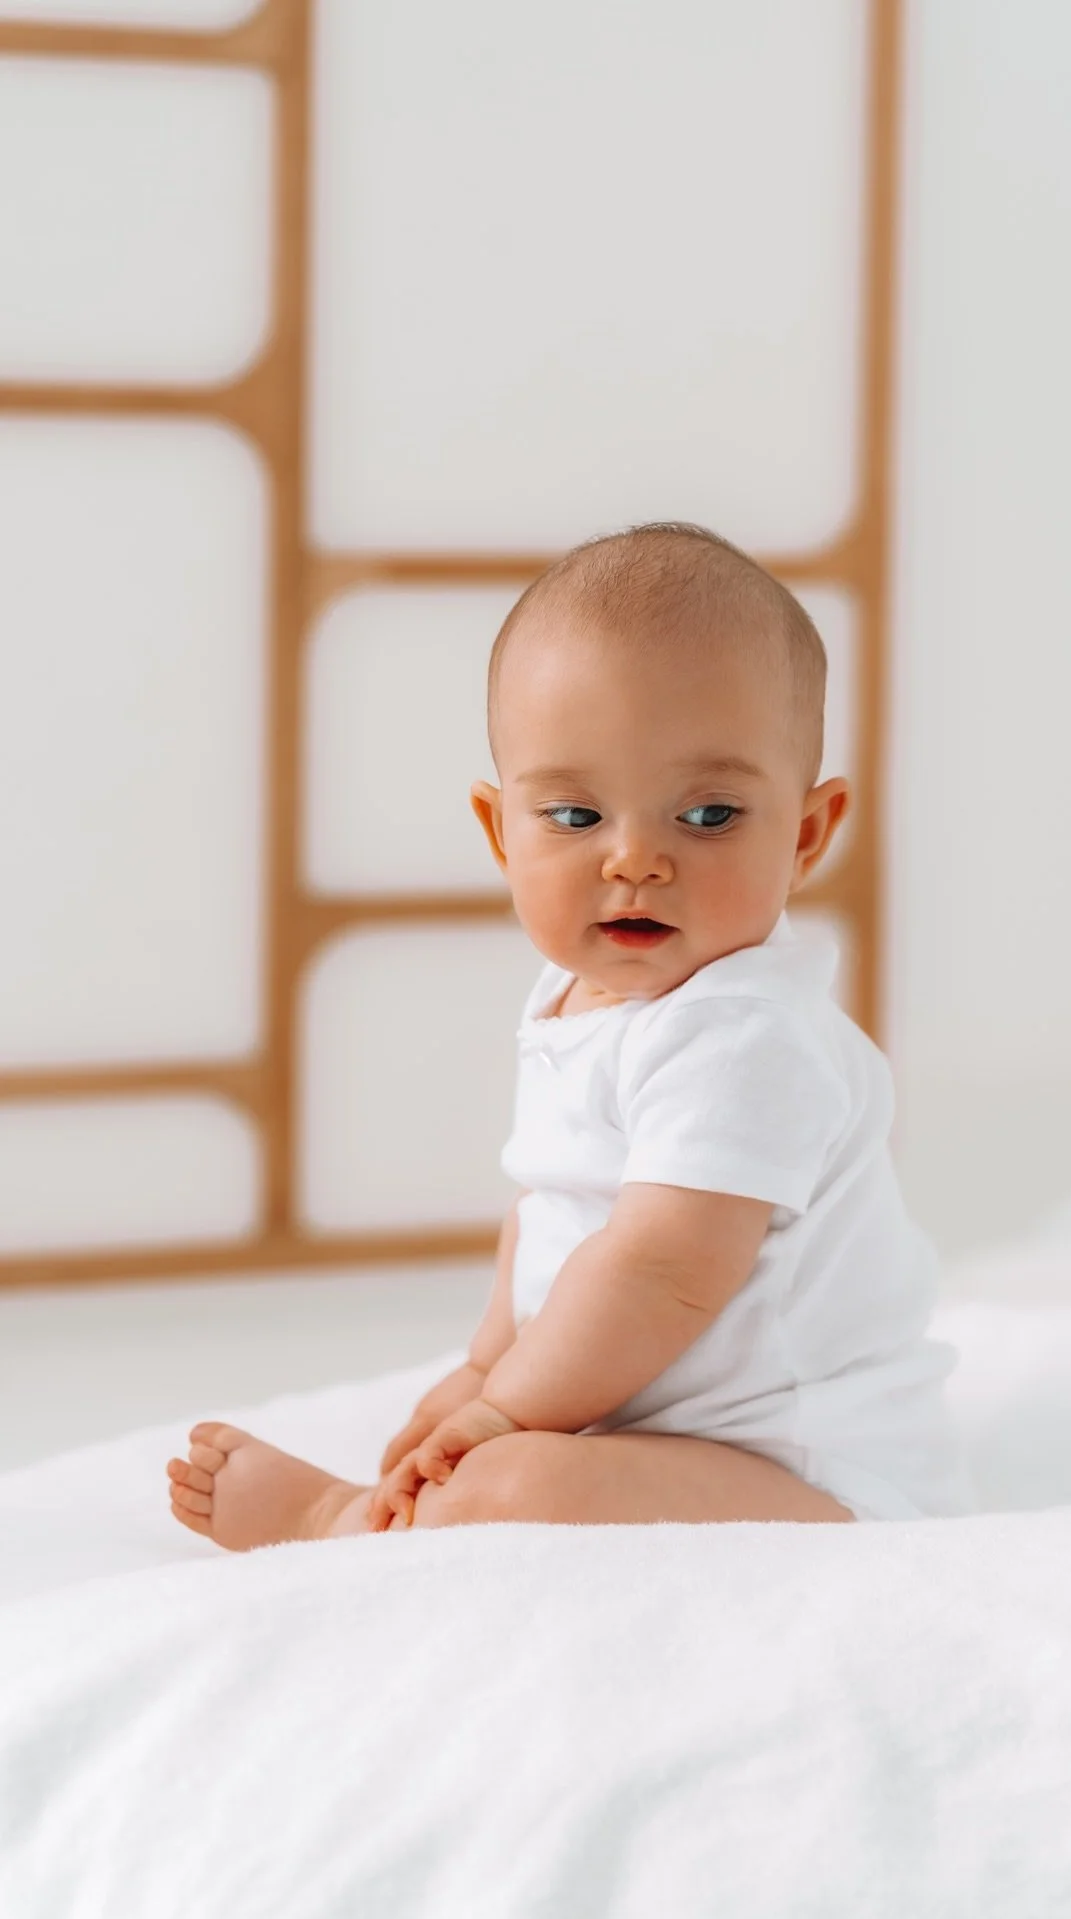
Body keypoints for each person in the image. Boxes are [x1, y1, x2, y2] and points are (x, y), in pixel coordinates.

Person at [165, 522, 967, 1546]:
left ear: (806, 832)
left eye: (710, 815)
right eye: (578, 818)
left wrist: (506, 1413)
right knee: (514, 1468)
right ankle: (437, 1492)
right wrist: (483, 1364)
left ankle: (343, 1521)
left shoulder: (743, 1034)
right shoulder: (572, 994)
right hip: (664, 1431)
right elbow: (552, 1209)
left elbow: (659, 1268)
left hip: (810, 1472)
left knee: (513, 1484)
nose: (636, 859)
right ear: (503, 831)